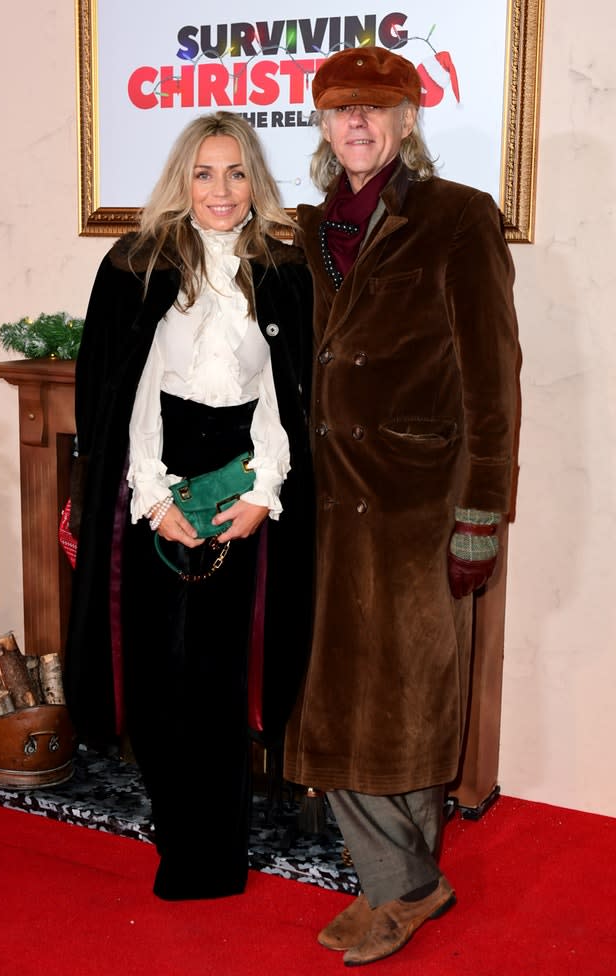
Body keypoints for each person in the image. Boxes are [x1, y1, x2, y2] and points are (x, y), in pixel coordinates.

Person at [284, 47, 521, 965]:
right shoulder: (307, 230)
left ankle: (405, 885)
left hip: (420, 503)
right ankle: (405, 880)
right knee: (340, 697)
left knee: (408, 696)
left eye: (376, 110)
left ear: (409, 120)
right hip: (327, 505)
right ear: (323, 122)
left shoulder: (457, 218)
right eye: (341, 110)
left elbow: (493, 378)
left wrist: (480, 514)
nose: (358, 125)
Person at [64, 111, 314, 901]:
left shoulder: (282, 270)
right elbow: (125, 396)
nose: (221, 189)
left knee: (218, 678)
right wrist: (154, 495)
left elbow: (283, 399)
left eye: (236, 172)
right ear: (182, 178)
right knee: (157, 674)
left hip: (240, 490)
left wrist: (264, 494)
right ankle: (177, 837)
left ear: (256, 182)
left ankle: (218, 855)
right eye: (204, 173)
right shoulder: (135, 266)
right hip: (156, 488)